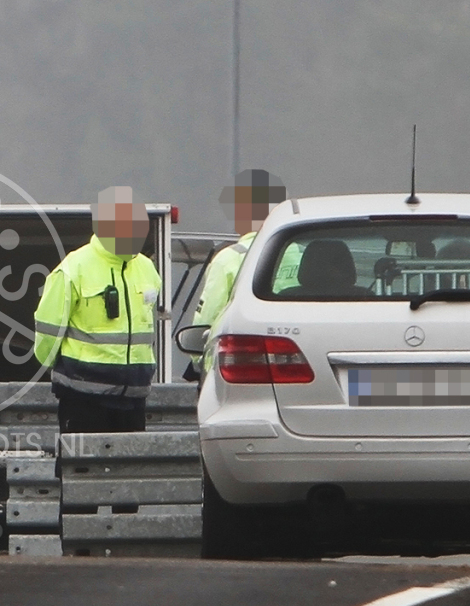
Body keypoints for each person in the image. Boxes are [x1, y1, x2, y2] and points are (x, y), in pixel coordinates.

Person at [33, 186, 162, 434]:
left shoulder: (147, 269)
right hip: (83, 398)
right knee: (82, 470)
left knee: (131, 470)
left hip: (133, 397)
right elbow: (47, 333)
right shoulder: (73, 269)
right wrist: (66, 373)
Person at [186, 170, 293, 381]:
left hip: (241, 369)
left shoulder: (228, 259)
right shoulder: (301, 253)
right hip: (297, 364)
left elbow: (207, 319)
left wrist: (197, 361)